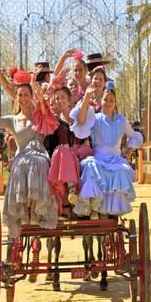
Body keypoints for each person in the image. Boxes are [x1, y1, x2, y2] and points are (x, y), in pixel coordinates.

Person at [0, 77, 58, 238]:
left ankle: (37, 211)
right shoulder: (12, 120)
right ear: (16, 98)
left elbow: (46, 113)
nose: (23, 99)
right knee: (20, 164)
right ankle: (23, 213)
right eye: (19, 95)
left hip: (39, 154)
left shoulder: (40, 116)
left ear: (31, 96)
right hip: (21, 156)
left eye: (26, 95)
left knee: (39, 163)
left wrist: (40, 96)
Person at [70, 85, 143, 219]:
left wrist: (128, 151)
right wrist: (87, 96)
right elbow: (80, 121)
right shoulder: (95, 118)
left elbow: (134, 136)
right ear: (100, 101)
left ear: (115, 103)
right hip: (98, 158)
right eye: (105, 100)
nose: (108, 103)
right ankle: (93, 208)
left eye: (111, 100)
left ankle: (108, 210)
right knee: (91, 166)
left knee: (121, 170)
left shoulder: (121, 120)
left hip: (115, 159)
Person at [46, 86, 94, 214]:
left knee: (68, 152)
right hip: (61, 160)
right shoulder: (54, 122)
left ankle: (72, 192)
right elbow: (50, 146)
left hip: (79, 156)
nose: (60, 101)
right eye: (57, 98)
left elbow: (87, 141)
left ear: (69, 99)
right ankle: (69, 192)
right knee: (62, 151)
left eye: (62, 97)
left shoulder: (78, 118)